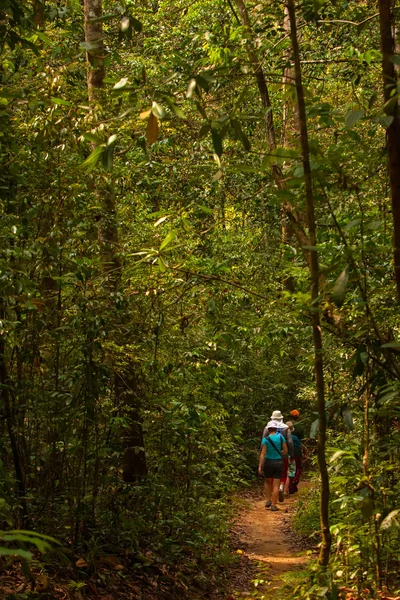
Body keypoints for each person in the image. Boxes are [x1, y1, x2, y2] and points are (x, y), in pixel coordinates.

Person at [262, 410, 294, 502]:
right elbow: (290, 442)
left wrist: (262, 454)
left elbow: (263, 441)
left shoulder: (268, 428)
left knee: (270, 476)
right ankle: (280, 487)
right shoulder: (286, 428)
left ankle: (271, 497)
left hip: (269, 456)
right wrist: (291, 454)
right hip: (282, 455)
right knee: (282, 473)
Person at [258, 422, 288, 512]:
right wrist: (280, 454)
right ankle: (274, 505)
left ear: (268, 429)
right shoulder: (280, 437)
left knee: (267, 482)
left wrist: (260, 465)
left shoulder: (265, 439)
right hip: (278, 462)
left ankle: (268, 500)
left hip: (268, 462)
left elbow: (263, 453)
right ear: (276, 429)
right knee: (276, 485)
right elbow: (285, 450)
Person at [286, 420, 304, 493]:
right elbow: (300, 446)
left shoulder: (282, 437)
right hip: (296, 455)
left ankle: (286, 487)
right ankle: (292, 487)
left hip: (286, 455)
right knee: (296, 469)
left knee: (287, 470)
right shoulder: (295, 438)